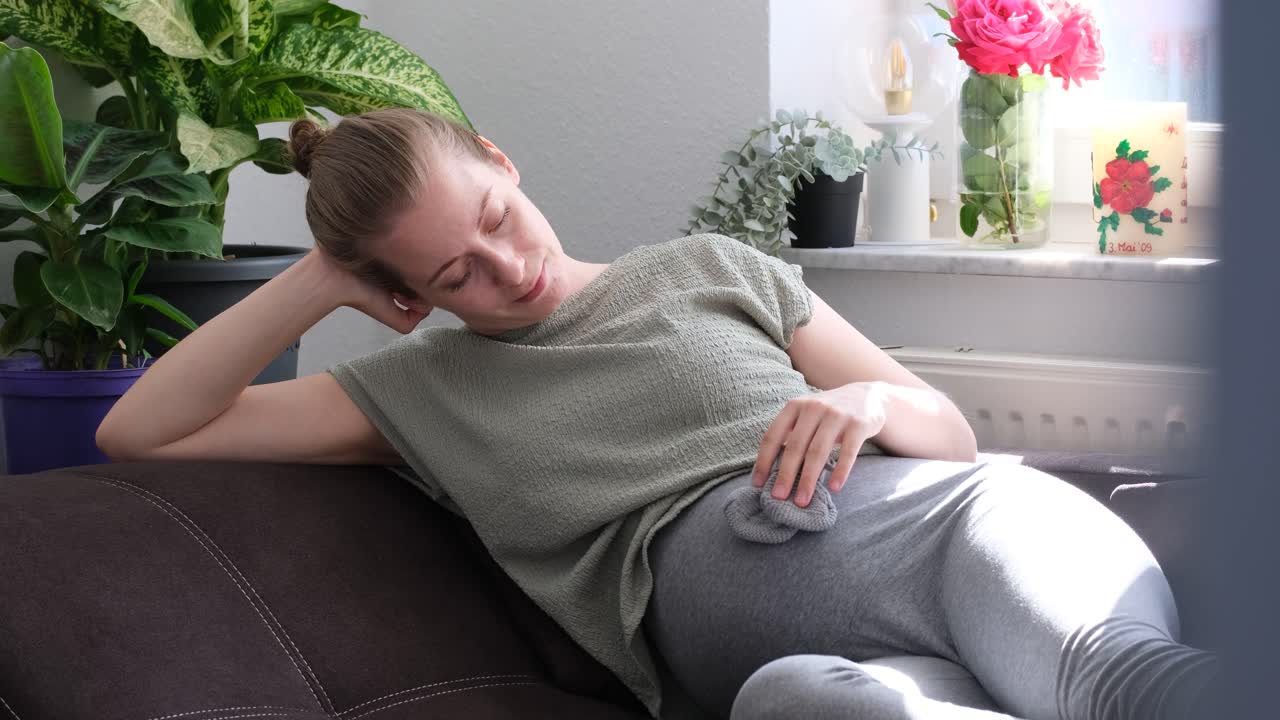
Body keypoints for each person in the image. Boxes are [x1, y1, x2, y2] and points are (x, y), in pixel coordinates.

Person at [95, 108, 1219, 720]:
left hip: (960, 533)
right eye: (451, 274)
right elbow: (140, 433)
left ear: (502, 157)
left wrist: (869, 396)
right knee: (794, 707)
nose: (504, 269)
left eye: (494, 216)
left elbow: (954, 441)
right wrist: (318, 275)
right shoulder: (414, 394)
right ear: (405, 294)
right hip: (807, 663)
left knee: (1107, 683)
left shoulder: (706, 267)